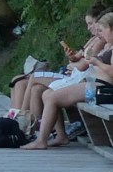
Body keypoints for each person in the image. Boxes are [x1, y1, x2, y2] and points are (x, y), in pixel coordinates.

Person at [21, 11, 113, 150]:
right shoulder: (108, 45)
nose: (100, 34)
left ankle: (41, 140)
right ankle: (60, 136)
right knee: (47, 94)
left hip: (103, 89)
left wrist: (96, 62)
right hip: (92, 82)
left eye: (102, 30)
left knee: (53, 98)